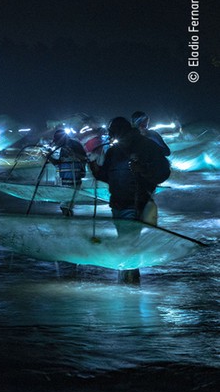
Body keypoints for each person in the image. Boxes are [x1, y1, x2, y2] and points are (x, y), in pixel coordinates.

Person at [88, 116, 171, 283]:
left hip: (136, 202)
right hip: (117, 202)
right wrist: (96, 170)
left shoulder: (146, 146)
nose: (111, 137)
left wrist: (143, 169)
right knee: (124, 241)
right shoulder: (113, 150)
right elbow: (108, 175)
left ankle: (130, 281)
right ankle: (126, 278)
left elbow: (163, 172)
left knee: (129, 242)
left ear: (122, 131)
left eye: (112, 133)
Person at [46, 129, 87, 216]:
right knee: (66, 203)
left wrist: (73, 154)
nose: (57, 143)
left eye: (57, 140)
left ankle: (67, 218)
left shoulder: (74, 144)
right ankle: (68, 218)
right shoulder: (63, 148)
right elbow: (58, 163)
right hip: (64, 178)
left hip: (74, 177)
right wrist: (49, 156)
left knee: (66, 204)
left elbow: (84, 158)